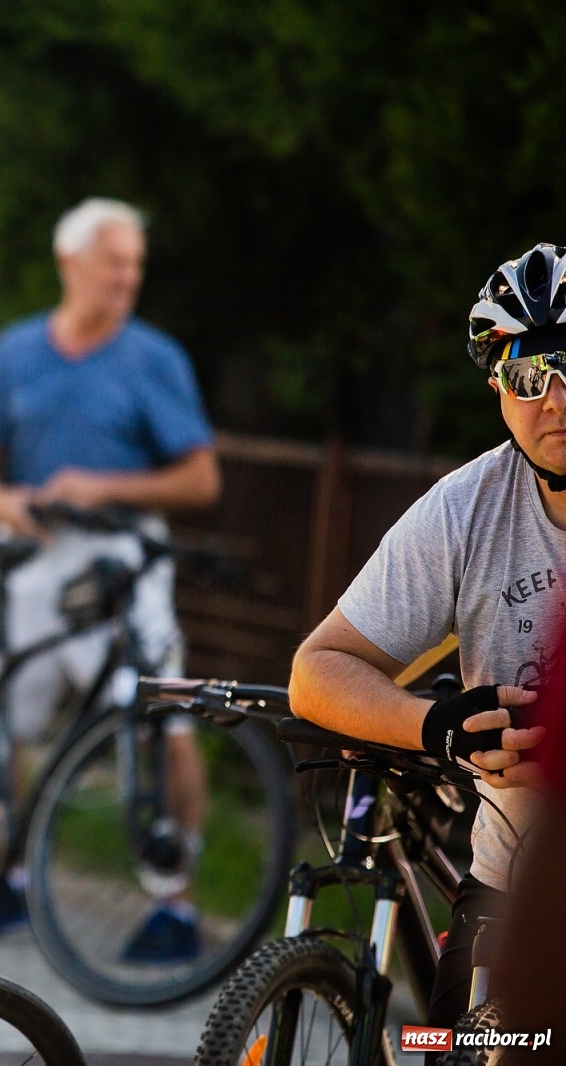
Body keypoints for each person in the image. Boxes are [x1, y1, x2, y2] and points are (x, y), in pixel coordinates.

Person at [290, 243, 559, 1030]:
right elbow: (319, 669)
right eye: (528, 377)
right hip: (515, 892)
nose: (556, 401)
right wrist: (439, 727)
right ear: (498, 389)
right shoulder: (467, 509)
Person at [0, 197, 221, 958]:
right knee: (7, 710)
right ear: (70, 261)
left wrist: (104, 487)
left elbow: (200, 478)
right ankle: (4, 875)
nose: (128, 277)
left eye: (136, 265)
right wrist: (0, 500)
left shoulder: (155, 358)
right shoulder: (15, 351)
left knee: (164, 712)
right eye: (115, 262)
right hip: (39, 556)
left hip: (124, 558)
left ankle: (175, 901)